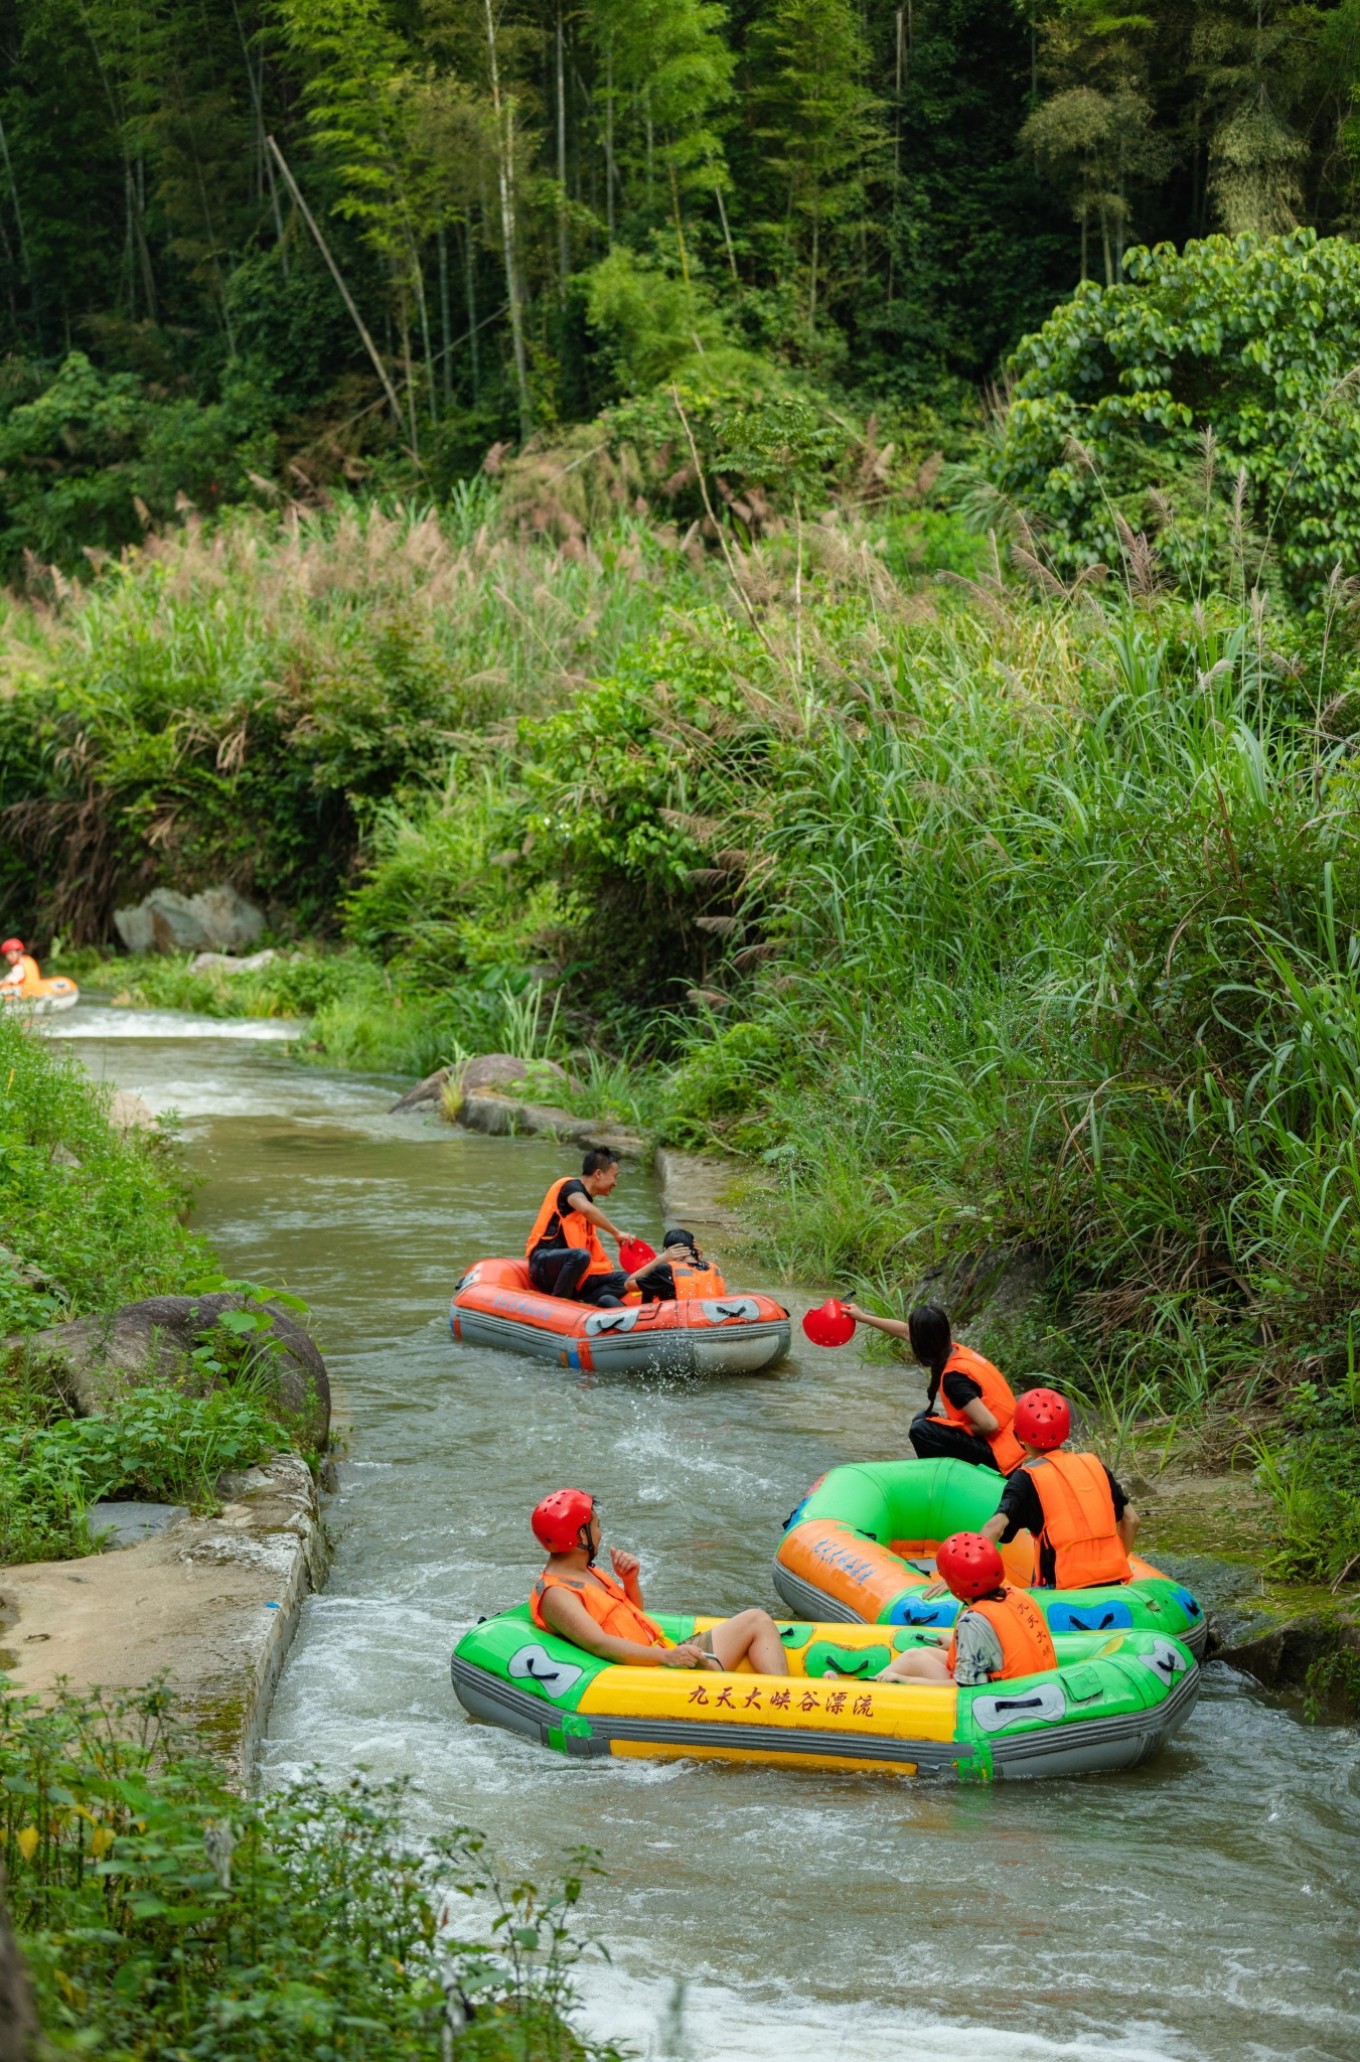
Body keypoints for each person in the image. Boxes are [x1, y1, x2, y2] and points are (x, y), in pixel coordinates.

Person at [528, 1489, 790, 1674]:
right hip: (647, 1674)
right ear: (579, 1536)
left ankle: (786, 1695)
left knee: (756, 1619)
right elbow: (600, 1644)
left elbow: (634, 1619)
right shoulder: (557, 1594)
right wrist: (667, 1656)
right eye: (596, 1526)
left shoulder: (587, 1572)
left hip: (658, 1656)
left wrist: (630, 1582)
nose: (601, 1532)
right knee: (737, 1637)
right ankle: (784, 1708)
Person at [840, 1299, 1024, 1473]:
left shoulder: (954, 1380)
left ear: (923, 1344)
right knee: (923, 1419)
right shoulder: (955, 1350)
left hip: (1001, 1459)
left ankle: (940, 1481)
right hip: (1012, 1446)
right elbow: (904, 1331)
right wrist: (863, 1317)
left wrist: (955, 1427)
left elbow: (989, 1425)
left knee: (921, 1430)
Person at [981, 1387, 1138, 1588]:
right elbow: (1132, 1520)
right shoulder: (1094, 1465)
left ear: (1019, 1436)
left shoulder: (1025, 1478)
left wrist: (965, 1576)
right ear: (1065, 1430)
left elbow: (994, 1527)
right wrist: (1119, 1569)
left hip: (1060, 1591)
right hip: (1112, 1582)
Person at [876, 1531, 1057, 1686]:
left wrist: (905, 1680)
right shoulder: (1017, 1594)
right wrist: (956, 1643)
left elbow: (963, 1690)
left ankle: (871, 1691)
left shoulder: (972, 1620)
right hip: (1036, 1686)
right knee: (918, 1655)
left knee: (913, 1659)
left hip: (1003, 1697)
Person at [525, 1148, 662, 1308]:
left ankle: (587, 1305)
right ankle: (560, 1305)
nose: (615, 1183)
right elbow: (584, 1208)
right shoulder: (570, 1188)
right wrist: (616, 1233)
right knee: (579, 1256)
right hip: (543, 1264)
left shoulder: (586, 1202)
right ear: (598, 1174)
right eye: (614, 1176)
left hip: (574, 1272)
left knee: (624, 1279)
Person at [629, 1227, 727, 1304]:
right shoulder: (712, 1267)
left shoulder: (666, 1270)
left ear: (666, 1250)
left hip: (677, 1322)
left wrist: (659, 1259)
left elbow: (628, 1284)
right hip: (711, 1319)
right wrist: (698, 1258)